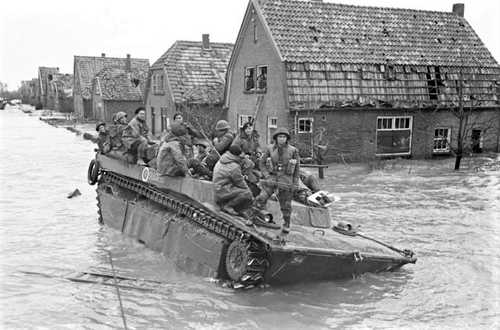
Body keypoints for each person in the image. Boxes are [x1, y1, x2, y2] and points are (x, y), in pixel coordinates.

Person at [255, 127, 300, 234]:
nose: (282, 139)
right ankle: (254, 217)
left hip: (286, 180)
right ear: (276, 138)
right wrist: (266, 175)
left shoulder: (293, 150)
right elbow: (261, 163)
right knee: (261, 198)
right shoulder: (270, 149)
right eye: (280, 136)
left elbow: (297, 168)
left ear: (287, 139)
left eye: (284, 137)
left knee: (286, 205)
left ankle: (286, 224)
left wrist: (295, 183)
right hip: (272, 178)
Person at [212, 145, 253, 217]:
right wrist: (251, 196)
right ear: (237, 155)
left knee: (243, 191)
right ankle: (228, 206)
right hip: (222, 190)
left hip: (218, 188)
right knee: (247, 193)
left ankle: (226, 203)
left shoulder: (223, 159)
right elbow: (240, 182)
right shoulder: (234, 166)